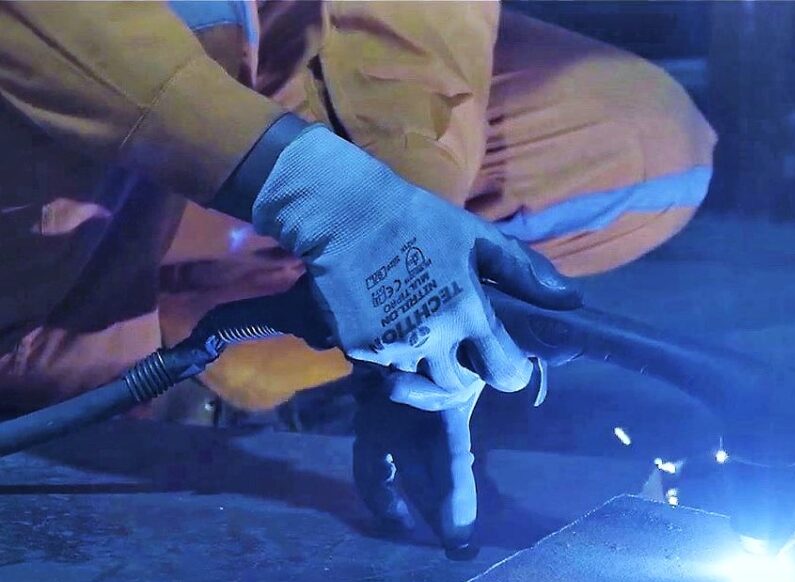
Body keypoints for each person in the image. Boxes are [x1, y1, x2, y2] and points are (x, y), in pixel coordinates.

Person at [0, 0, 714, 550]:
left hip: (242, 62)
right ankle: (75, 373)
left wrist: (404, 222)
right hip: (68, 74)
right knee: (188, 23)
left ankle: (226, 368)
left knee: (642, 148)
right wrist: (308, 188)